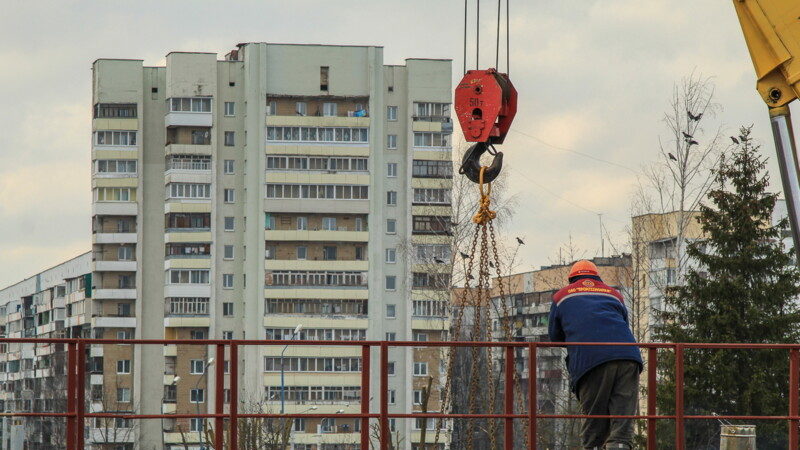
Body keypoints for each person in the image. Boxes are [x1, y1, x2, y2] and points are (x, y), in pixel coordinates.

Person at [548, 260, 643, 450]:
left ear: (571, 279)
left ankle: (593, 446)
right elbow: (623, 324)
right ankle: (620, 444)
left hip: (591, 360)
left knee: (594, 420)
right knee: (622, 420)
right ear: (597, 277)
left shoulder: (561, 296)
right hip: (628, 356)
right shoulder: (615, 294)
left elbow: (555, 336)